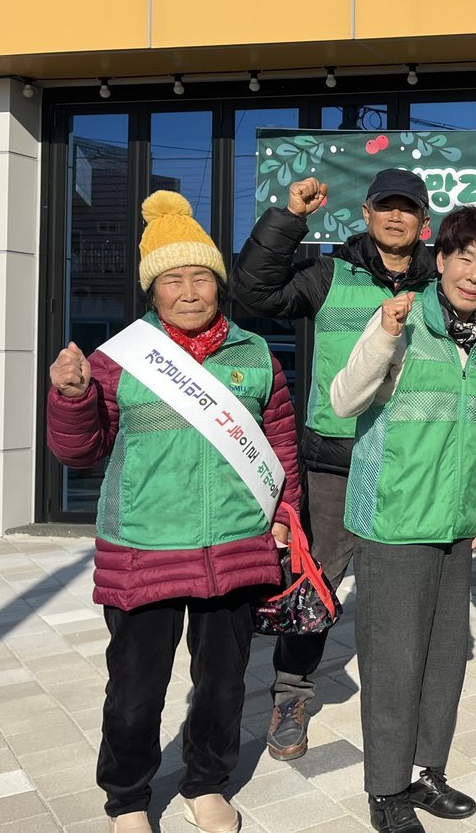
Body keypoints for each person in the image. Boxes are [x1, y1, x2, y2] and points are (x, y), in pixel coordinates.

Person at [45, 191, 301, 833]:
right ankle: (127, 798)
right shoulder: (118, 359)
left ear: (219, 283)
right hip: (145, 546)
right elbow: (80, 452)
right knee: (135, 691)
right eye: (172, 280)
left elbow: (280, 444)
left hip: (235, 545)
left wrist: (285, 513)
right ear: (152, 291)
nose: (189, 292)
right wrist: (72, 397)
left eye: (201, 277)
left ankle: (206, 783)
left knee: (223, 685)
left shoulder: (255, 353)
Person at [231, 168, 436, 760]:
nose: (395, 217)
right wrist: (289, 219)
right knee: (314, 583)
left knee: (405, 590)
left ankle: (407, 698)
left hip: (412, 461)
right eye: (384, 207)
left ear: (424, 223)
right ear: (366, 215)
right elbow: (254, 294)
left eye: (407, 209)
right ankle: (291, 694)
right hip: (336, 462)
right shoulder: (329, 274)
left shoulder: (442, 283)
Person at [330, 207, 476, 833]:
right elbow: (343, 399)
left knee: (443, 658)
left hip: (455, 523)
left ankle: (427, 771)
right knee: (393, 660)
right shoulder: (401, 321)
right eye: (464, 257)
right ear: (439, 261)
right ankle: (386, 788)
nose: (474, 274)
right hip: (394, 518)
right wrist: (384, 335)